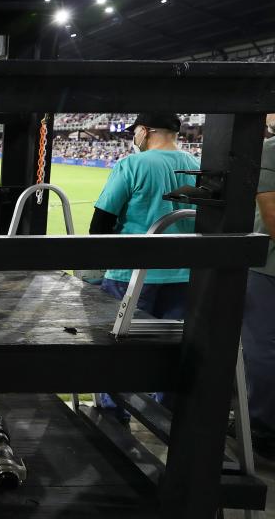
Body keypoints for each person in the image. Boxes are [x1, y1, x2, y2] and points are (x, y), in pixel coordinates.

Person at [89, 113, 199, 417]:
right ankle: (166, 417)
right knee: (172, 351)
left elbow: (100, 224)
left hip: (132, 274)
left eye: (135, 131)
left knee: (118, 350)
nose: (133, 137)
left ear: (146, 130)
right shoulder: (199, 165)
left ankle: (114, 415)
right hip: (186, 274)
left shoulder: (132, 164)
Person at [240, 113, 275, 459]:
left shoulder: (270, 149)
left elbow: (271, 213)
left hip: (267, 267)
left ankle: (261, 427)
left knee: (261, 349)